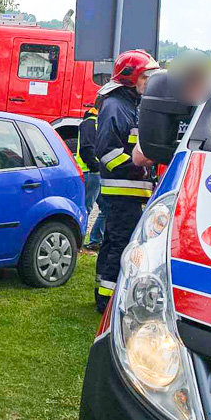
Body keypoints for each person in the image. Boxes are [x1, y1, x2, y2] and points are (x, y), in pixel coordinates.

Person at [93, 49, 159, 313]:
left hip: (129, 190)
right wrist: (138, 167)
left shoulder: (128, 103)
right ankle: (108, 302)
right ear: (131, 77)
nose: (150, 82)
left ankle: (102, 292)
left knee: (111, 240)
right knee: (121, 243)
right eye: (146, 76)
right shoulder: (116, 106)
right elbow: (106, 152)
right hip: (124, 190)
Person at [74, 99, 105, 251]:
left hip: (96, 173)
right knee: (86, 208)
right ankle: (78, 243)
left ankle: (95, 241)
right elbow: (86, 148)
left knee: (107, 208)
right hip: (90, 172)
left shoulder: (96, 121)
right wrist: (95, 167)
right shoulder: (90, 122)